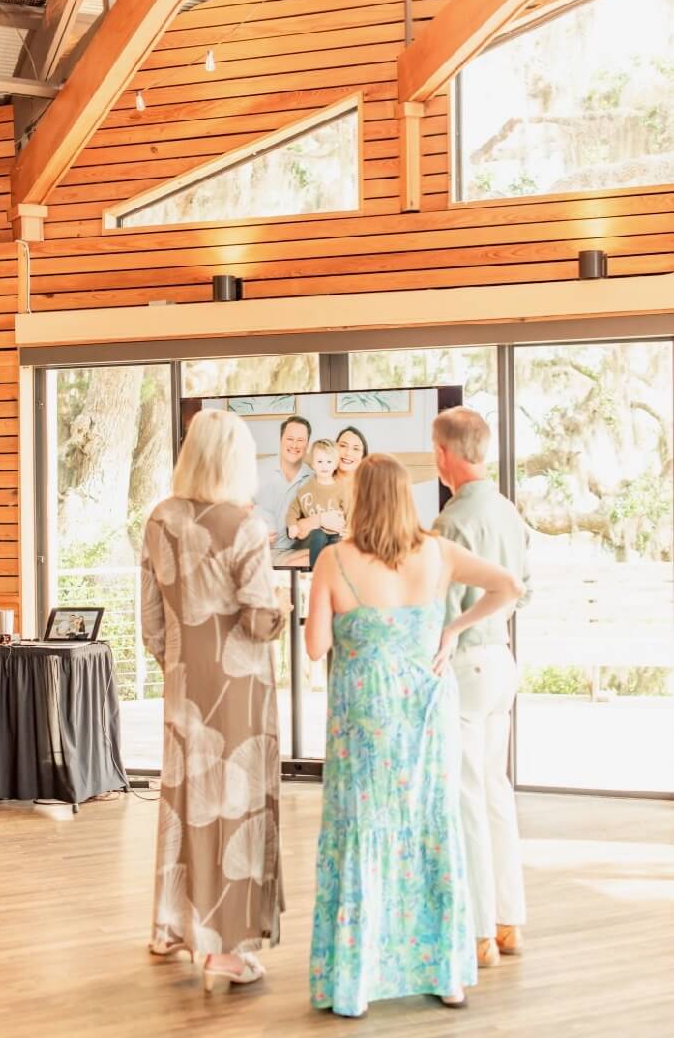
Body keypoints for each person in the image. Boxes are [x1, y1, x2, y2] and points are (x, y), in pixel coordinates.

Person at [305, 453, 524, 1017]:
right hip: (426, 711)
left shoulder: (333, 560)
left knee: (363, 835)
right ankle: (447, 977)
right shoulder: (439, 553)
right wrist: (453, 628)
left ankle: (356, 986)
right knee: (431, 829)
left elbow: (315, 647)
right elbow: (508, 586)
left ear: (359, 500)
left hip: (364, 720)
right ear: (408, 498)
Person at [141, 409, 287, 994]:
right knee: (234, 804)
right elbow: (256, 620)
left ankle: (172, 925)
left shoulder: (160, 519)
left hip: (184, 679)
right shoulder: (244, 527)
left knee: (183, 801)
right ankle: (224, 953)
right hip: (239, 686)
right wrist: (282, 610)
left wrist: (175, 662)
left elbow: (151, 619)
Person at [432, 408, 532, 969]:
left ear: (446, 454)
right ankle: (507, 920)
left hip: (467, 662)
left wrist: (449, 630)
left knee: (467, 794)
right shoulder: (509, 512)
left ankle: (476, 934)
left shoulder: (450, 521)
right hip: (502, 660)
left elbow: (442, 603)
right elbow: (524, 589)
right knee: (495, 791)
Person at [254, 415, 313, 561]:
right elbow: (236, 509)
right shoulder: (257, 469)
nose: (295, 445)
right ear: (281, 440)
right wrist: (253, 532)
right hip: (255, 550)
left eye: (301, 440)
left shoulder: (313, 478)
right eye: (290, 439)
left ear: (307, 444)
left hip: (293, 555)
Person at [286, 439, 351, 567]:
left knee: (337, 544)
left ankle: (332, 574)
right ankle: (314, 571)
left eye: (329, 462)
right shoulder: (305, 489)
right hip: (312, 536)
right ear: (313, 464)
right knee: (319, 534)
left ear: (335, 464)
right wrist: (292, 525)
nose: (324, 466)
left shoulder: (341, 489)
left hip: (335, 534)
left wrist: (348, 529)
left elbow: (349, 510)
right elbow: (292, 510)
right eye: (320, 462)